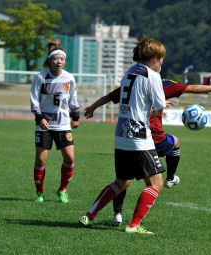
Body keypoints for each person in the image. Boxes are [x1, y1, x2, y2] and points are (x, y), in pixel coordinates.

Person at [84, 79, 211, 226]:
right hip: (151, 140)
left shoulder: (132, 82)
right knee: (164, 164)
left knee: (124, 181)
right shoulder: (162, 84)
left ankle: (117, 214)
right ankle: (170, 179)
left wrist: (92, 107)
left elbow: (109, 97)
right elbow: (192, 87)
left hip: (128, 137)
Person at [79, 36, 167, 234]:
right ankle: (134, 225)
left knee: (121, 181)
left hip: (121, 135)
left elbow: (127, 97)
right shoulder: (153, 76)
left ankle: (90, 215)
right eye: (161, 59)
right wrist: (156, 109)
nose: (162, 62)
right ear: (154, 57)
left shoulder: (129, 72)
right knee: (156, 182)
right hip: (139, 135)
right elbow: (158, 110)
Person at [30, 39, 80, 203]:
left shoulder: (69, 78)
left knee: (70, 158)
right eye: (55, 59)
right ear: (49, 61)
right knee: (41, 159)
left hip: (63, 123)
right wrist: (40, 117)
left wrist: (75, 116)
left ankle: (62, 190)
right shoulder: (41, 77)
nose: (59, 62)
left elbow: (73, 98)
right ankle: (39, 193)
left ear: (65, 61)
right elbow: (34, 100)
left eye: (62, 59)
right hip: (44, 123)